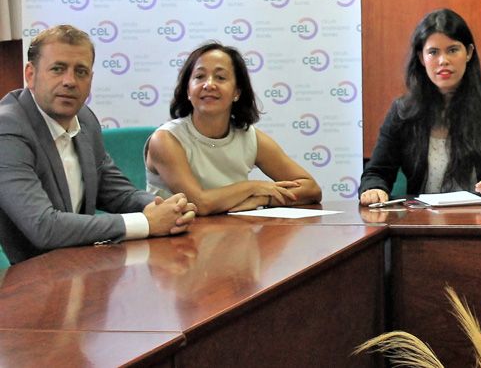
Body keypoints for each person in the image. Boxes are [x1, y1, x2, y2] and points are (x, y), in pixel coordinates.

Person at [0, 25, 195, 264]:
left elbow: (115, 192)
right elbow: (44, 227)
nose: (70, 81)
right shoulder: (8, 128)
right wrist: (147, 223)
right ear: (30, 75)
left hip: (82, 269)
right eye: (58, 69)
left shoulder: (84, 119)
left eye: (81, 72)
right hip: (29, 284)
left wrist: (163, 208)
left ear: (90, 80)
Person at [358, 9, 481, 205]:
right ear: (422, 58)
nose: (443, 61)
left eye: (452, 50)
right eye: (433, 52)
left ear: (469, 53)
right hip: (422, 223)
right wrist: (374, 188)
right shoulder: (403, 111)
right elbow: (376, 172)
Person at [145, 42, 322, 215]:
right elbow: (200, 203)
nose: (209, 85)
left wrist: (263, 199)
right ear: (188, 90)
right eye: (199, 77)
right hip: (177, 240)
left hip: (234, 236)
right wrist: (253, 187)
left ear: (237, 92)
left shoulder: (249, 138)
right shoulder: (165, 140)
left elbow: (311, 188)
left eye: (220, 77)